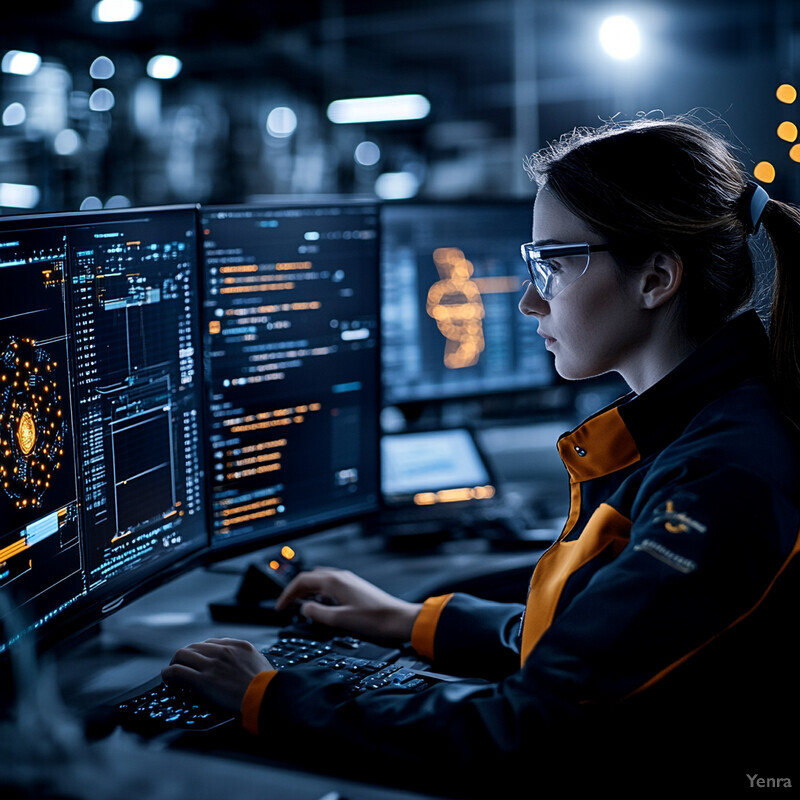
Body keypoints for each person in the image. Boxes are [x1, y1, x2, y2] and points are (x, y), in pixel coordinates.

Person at [163, 115, 800, 795]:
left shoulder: (723, 479)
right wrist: (413, 620)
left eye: (554, 263)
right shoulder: (704, 432)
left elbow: (520, 735)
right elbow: (610, 639)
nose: (529, 300)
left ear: (655, 279)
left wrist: (271, 694)